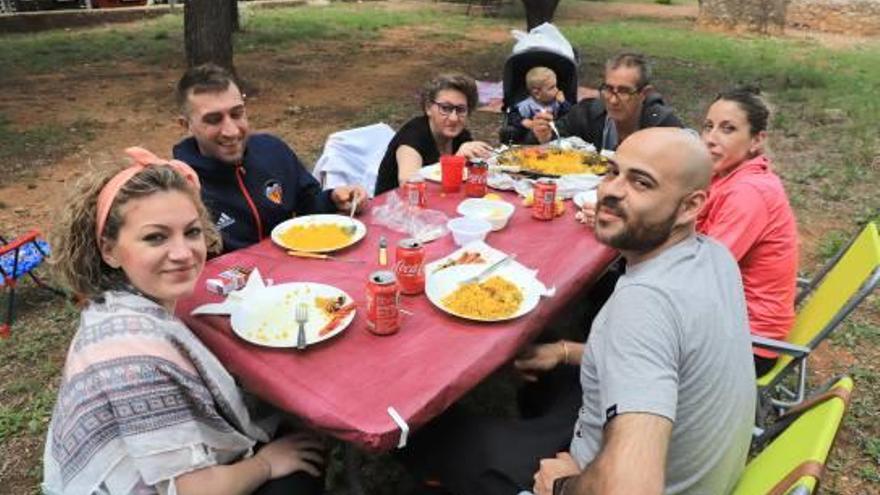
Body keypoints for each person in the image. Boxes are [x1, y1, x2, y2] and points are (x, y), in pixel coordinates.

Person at [404, 128, 756, 495]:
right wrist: (565, 352)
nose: (612, 191)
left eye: (641, 183)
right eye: (612, 172)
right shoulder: (714, 256)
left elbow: (629, 489)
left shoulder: (644, 303)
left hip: (598, 475)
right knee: (549, 354)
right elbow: (669, 357)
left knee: (435, 436)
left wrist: (562, 485)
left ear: (690, 207)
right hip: (686, 466)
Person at [43, 148, 325, 495]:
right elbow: (194, 490)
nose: (183, 253)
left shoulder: (117, 307)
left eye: (191, 232)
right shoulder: (133, 357)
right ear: (109, 250)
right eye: (155, 237)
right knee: (298, 478)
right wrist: (266, 463)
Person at [173, 63, 367, 254]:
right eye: (213, 120)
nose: (231, 131)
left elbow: (308, 205)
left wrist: (334, 199)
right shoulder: (179, 186)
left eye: (237, 113)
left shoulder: (273, 150)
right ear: (186, 125)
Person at [698, 87, 799, 377]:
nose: (710, 138)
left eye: (727, 129)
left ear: (756, 140)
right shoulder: (727, 176)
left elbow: (701, 269)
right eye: (708, 126)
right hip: (730, 319)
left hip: (748, 345)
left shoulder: (749, 192)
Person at [529, 52, 683, 151]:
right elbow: (544, 144)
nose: (613, 100)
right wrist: (545, 136)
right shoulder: (586, 113)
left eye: (624, 91)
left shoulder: (664, 126)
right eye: (608, 89)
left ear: (644, 93)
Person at [374, 73, 493, 196]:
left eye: (461, 109)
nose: (453, 118)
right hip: (392, 210)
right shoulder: (412, 137)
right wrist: (455, 161)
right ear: (428, 108)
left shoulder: (461, 135)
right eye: (445, 108)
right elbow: (409, 186)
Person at [510, 66, 572, 136]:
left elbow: (570, 114)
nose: (557, 90)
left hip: (554, 133)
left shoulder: (558, 102)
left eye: (556, 86)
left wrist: (563, 103)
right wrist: (526, 122)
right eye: (551, 88)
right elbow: (512, 117)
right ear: (537, 93)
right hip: (533, 135)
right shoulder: (526, 105)